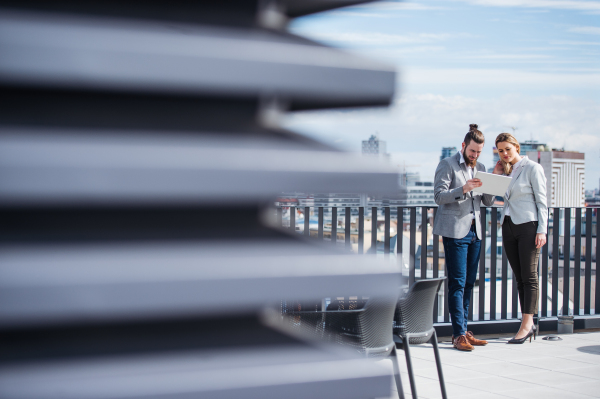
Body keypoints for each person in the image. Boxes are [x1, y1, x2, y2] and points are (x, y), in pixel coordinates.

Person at [434, 124, 496, 351]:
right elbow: (439, 196)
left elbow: (487, 202)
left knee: (469, 283)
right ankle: (458, 334)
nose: (475, 156)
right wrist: (464, 188)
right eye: (472, 151)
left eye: (479, 152)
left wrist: (494, 182)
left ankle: (465, 331)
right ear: (463, 146)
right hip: (455, 232)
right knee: (457, 284)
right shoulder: (447, 164)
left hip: (475, 231)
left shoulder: (481, 167)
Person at [492, 133, 547, 344]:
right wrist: (496, 174)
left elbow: (542, 201)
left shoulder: (532, 168)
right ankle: (528, 322)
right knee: (519, 277)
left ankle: (527, 324)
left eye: (508, 149)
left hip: (529, 227)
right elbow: (491, 197)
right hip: (508, 226)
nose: (505, 153)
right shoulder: (507, 170)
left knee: (529, 276)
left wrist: (542, 230)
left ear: (516, 147)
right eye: (500, 150)